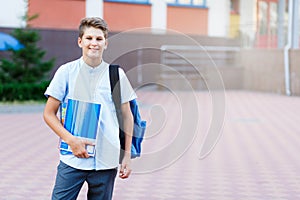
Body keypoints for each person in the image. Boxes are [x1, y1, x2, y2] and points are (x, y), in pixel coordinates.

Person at [43, 17, 136, 200]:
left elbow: (127, 116)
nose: (94, 43)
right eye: (89, 38)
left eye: (99, 39)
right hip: (72, 159)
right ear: (80, 41)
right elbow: (48, 113)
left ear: (106, 43)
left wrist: (126, 156)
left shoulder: (116, 74)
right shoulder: (66, 72)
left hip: (106, 161)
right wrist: (71, 140)